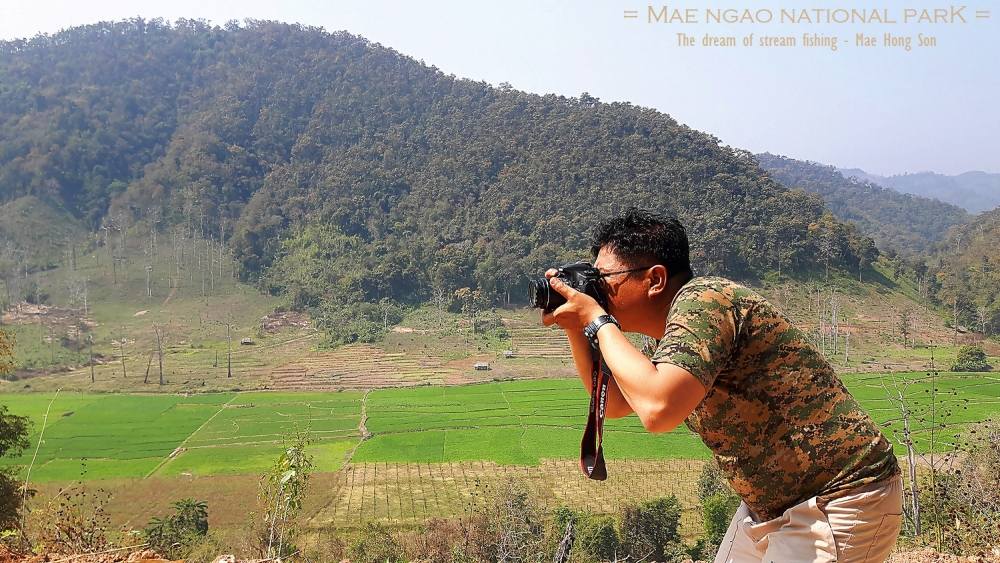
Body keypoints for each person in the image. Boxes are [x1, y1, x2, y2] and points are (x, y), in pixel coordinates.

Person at [541, 207, 902, 563]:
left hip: (839, 496)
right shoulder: (671, 334)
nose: (598, 292)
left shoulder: (706, 301)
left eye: (604, 280)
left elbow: (658, 410)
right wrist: (576, 325)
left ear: (655, 279)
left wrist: (597, 320)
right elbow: (618, 403)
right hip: (770, 507)